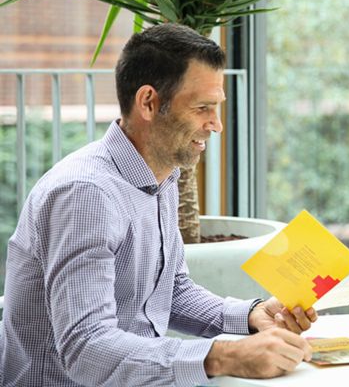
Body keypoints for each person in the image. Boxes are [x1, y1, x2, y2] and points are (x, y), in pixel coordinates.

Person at [0, 23, 316, 386]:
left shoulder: (160, 176)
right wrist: (224, 355)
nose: (216, 125)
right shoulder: (86, 194)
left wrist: (250, 315)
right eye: (202, 108)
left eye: (217, 108)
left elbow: (170, 292)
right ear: (148, 102)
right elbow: (87, 348)